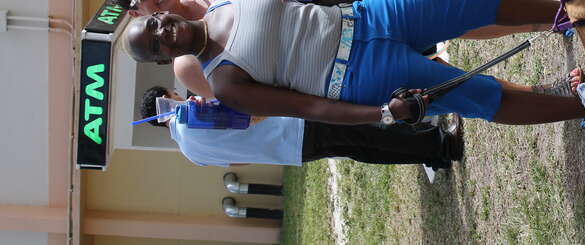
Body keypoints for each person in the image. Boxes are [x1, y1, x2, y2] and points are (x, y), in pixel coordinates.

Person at [125, 0, 585, 127]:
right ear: (159, 60)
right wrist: (382, 114)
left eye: (153, 26)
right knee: (477, 94)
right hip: (359, 75)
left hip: (368, 16)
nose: (162, 32)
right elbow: (309, 108)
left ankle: (576, 11)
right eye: (154, 45)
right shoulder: (227, 83)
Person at [106, 0, 557, 97]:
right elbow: (259, 101)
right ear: (138, 14)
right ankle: (538, 89)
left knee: (449, 20)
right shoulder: (187, 66)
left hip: (335, 6)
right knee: (448, 81)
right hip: (338, 68)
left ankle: (546, 22)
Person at [140, 86, 464, 168]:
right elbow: (250, 115)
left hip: (289, 151)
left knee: (360, 148)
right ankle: (440, 145)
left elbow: (238, 160)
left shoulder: (189, 152)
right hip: (294, 126)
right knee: (367, 133)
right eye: (174, 97)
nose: (182, 98)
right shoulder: (193, 114)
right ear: (167, 104)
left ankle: (433, 151)